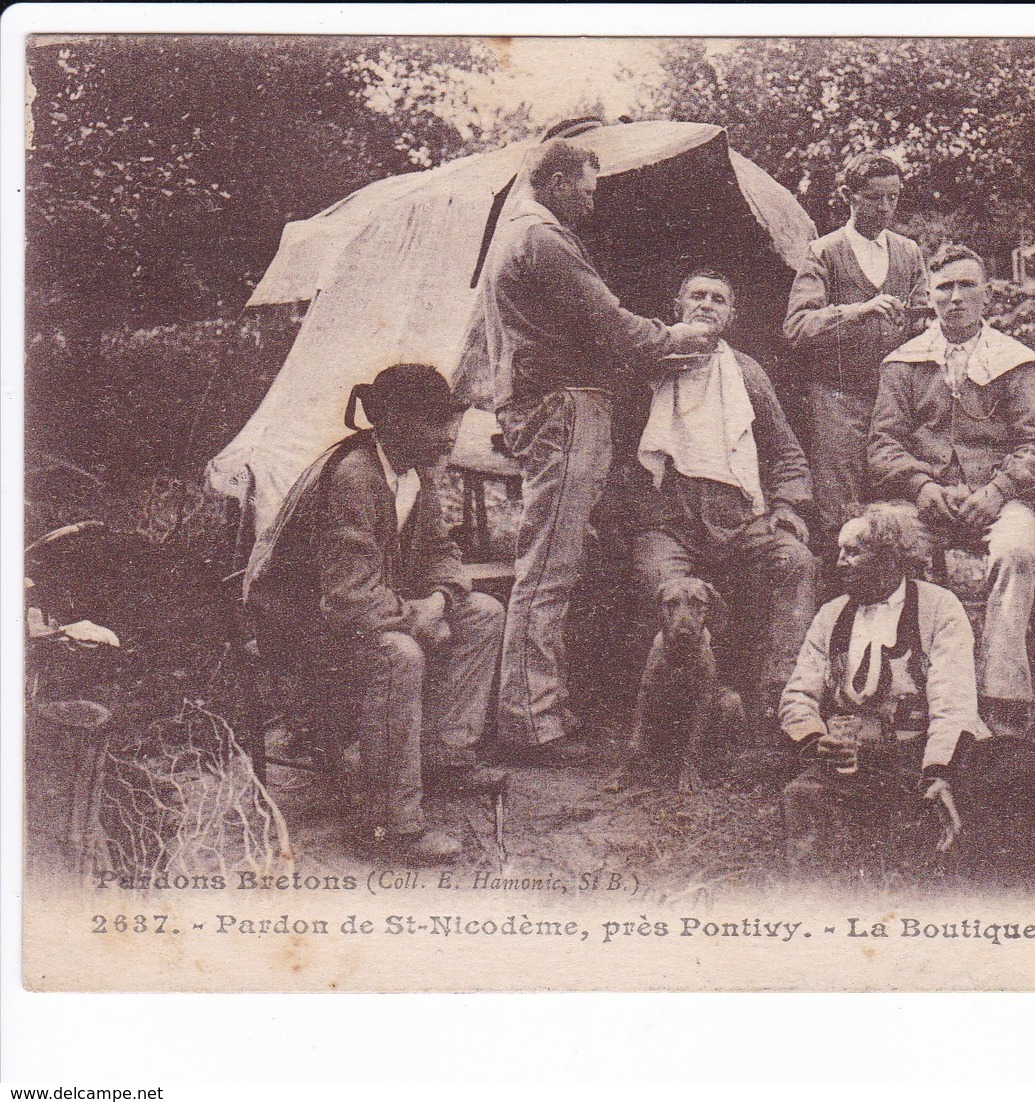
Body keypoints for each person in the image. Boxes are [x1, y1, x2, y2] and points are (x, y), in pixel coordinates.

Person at [464, 138, 719, 754]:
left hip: (552, 406)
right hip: (565, 408)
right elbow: (615, 328)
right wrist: (688, 334)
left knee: (552, 559)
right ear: (553, 182)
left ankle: (536, 706)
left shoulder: (519, 234)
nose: (590, 198)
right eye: (585, 187)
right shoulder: (545, 241)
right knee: (551, 566)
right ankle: (532, 718)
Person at [244, 364, 507, 864]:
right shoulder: (354, 477)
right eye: (436, 422)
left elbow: (440, 549)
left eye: (448, 421)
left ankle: (442, 757)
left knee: (485, 614)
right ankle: (390, 820)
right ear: (395, 422)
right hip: (299, 627)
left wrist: (441, 601)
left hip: (361, 610)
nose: (449, 435)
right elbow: (349, 597)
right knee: (398, 653)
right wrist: (415, 618)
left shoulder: (414, 472)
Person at [868, 244, 1035, 737]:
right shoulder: (904, 362)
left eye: (966, 286)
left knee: (1016, 555)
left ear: (987, 295)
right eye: (944, 287)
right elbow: (883, 444)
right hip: (926, 498)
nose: (955, 298)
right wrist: (921, 485)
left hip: (997, 497)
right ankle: (906, 687)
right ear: (928, 296)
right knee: (886, 545)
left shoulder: (1015, 361)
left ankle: (1002, 697)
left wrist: (997, 492)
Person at [626, 269, 818, 732]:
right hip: (669, 520)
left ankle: (781, 701)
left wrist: (788, 506)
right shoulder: (647, 367)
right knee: (659, 581)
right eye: (697, 296)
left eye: (718, 299)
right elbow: (618, 449)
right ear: (678, 307)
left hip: (738, 519)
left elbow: (785, 450)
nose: (707, 304)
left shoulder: (747, 374)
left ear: (730, 315)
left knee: (796, 562)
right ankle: (667, 715)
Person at [779, 503, 989, 876]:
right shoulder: (831, 614)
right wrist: (814, 740)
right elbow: (798, 694)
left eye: (853, 551)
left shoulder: (939, 607)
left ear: (890, 558)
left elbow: (954, 703)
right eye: (839, 551)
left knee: (948, 822)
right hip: (852, 759)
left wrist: (938, 771)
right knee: (802, 798)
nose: (840, 562)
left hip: (921, 755)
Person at [783, 152, 927, 560]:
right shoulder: (824, 252)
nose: (885, 208)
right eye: (873, 198)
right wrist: (854, 312)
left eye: (893, 198)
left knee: (897, 503)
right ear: (849, 196)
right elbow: (797, 328)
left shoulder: (908, 252)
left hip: (897, 403)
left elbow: (921, 319)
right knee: (838, 508)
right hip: (838, 399)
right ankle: (839, 606)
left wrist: (920, 320)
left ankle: (901, 597)